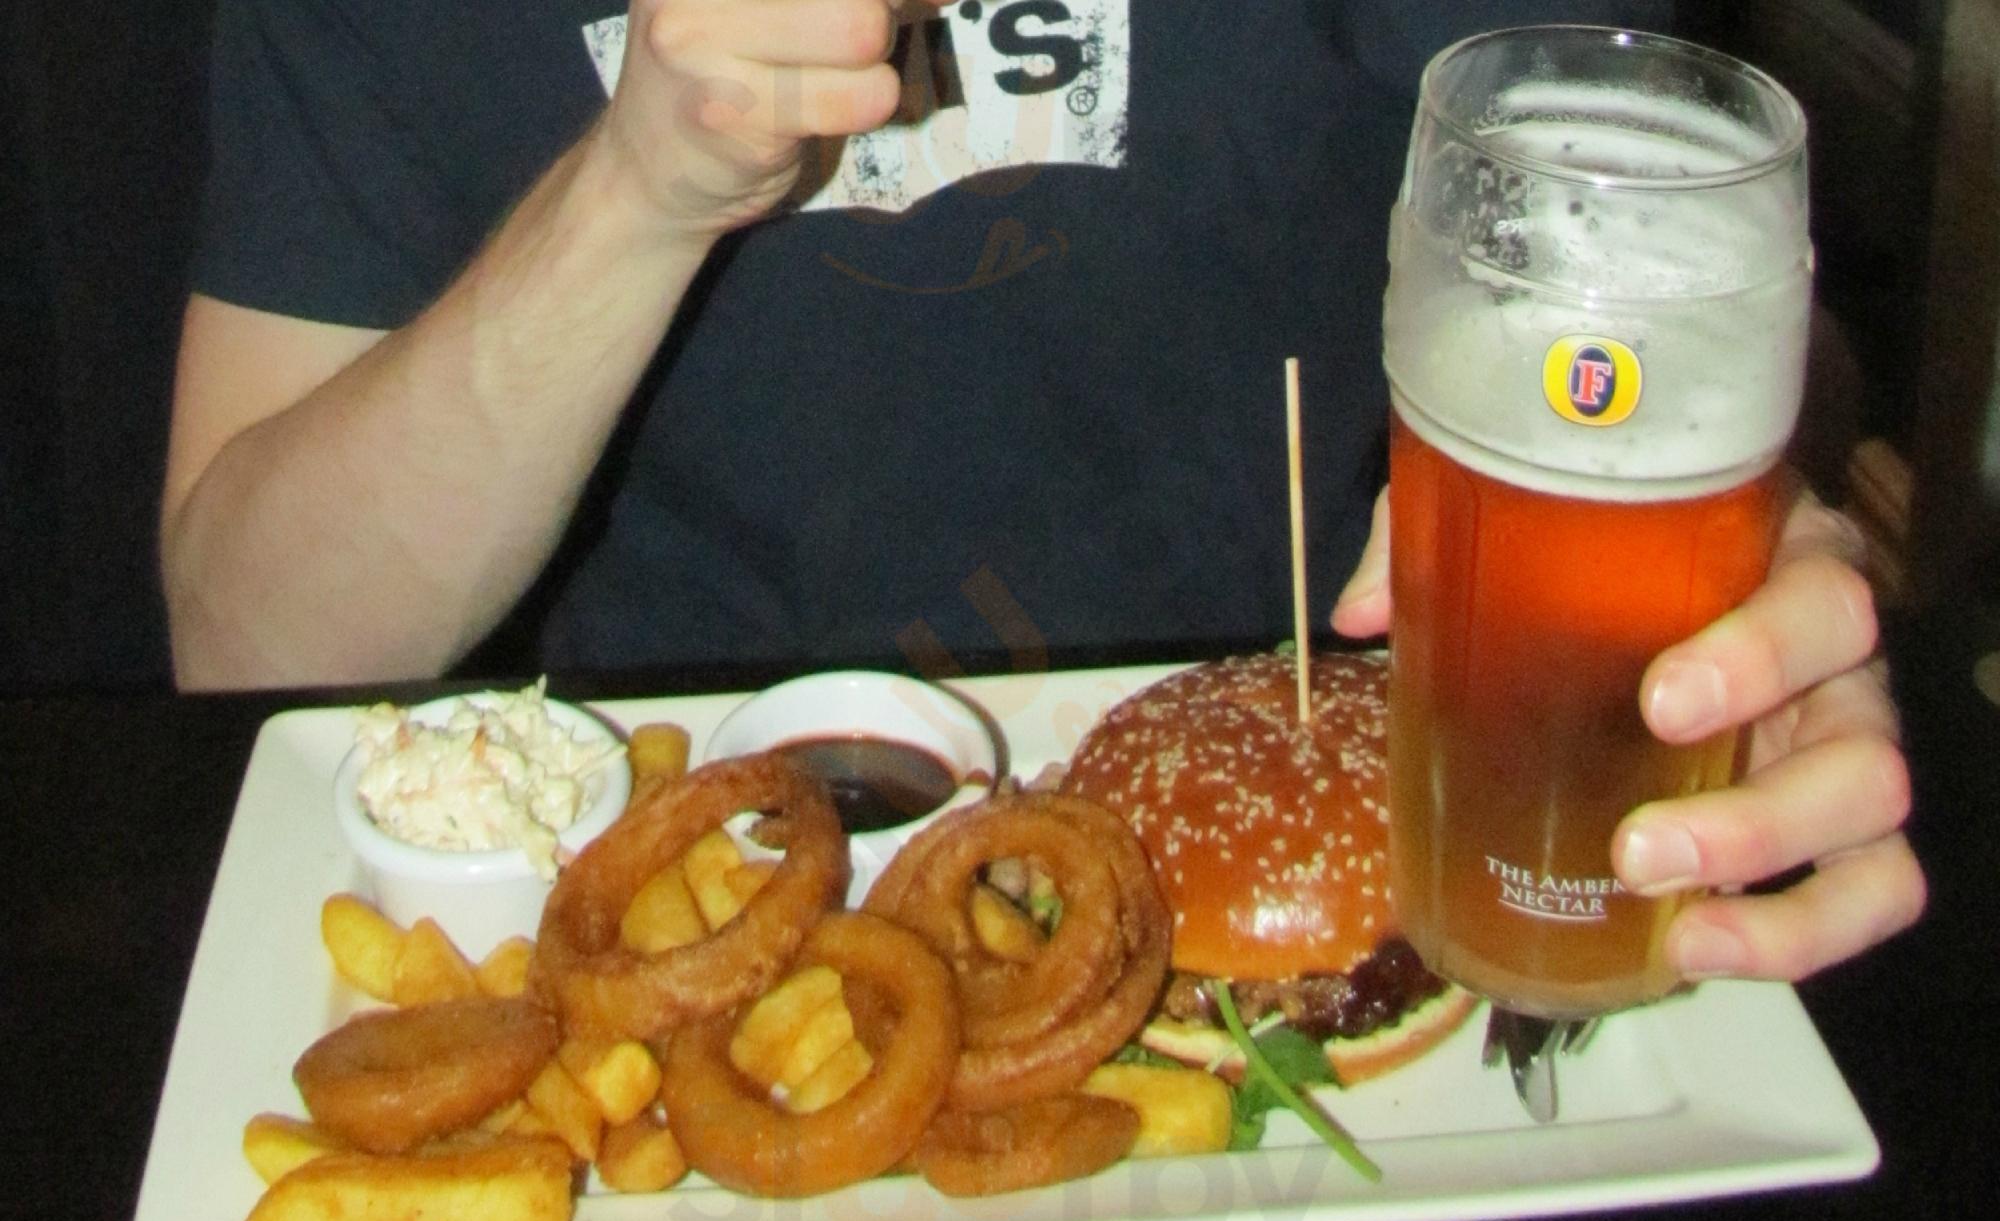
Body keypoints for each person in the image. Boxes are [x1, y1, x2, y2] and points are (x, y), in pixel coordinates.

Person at [162, 0, 1923, 986]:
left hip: (1350, 938)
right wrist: (637, 189)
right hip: (665, 968)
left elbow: (1642, 323)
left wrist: (1737, 570)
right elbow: (249, 640)